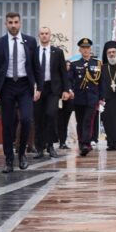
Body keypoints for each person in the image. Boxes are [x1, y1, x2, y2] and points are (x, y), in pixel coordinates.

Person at [0, 12, 42, 172]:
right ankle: (9, 160)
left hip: (24, 86)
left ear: (20, 23)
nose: (13, 25)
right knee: (8, 124)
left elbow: (36, 66)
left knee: (27, 120)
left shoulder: (30, 41)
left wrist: (39, 87)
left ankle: (21, 154)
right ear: (5, 24)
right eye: (10, 22)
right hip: (7, 86)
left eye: (16, 22)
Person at [33, 26, 70, 159]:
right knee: (38, 118)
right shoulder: (34, 51)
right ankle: (39, 148)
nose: (44, 36)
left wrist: (66, 90)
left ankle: (50, 146)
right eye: (42, 34)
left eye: (46, 33)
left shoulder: (58, 52)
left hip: (53, 89)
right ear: (39, 36)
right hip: (38, 89)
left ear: (50, 36)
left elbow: (63, 73)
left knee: (50, 114)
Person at [69, 38, 102, 157]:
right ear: (80, 49)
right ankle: (81, 143)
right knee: (80, 121)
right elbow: (70, 80)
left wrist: (101, 97)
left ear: (90, 49)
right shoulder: (74, 64)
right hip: (79, 97)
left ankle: (86, 144)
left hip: (92, 98)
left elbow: (101, 81)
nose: (86, 50)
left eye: (87, 48)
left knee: (88, 121)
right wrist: (69, 90)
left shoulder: (98, 64)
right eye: (83, 48)